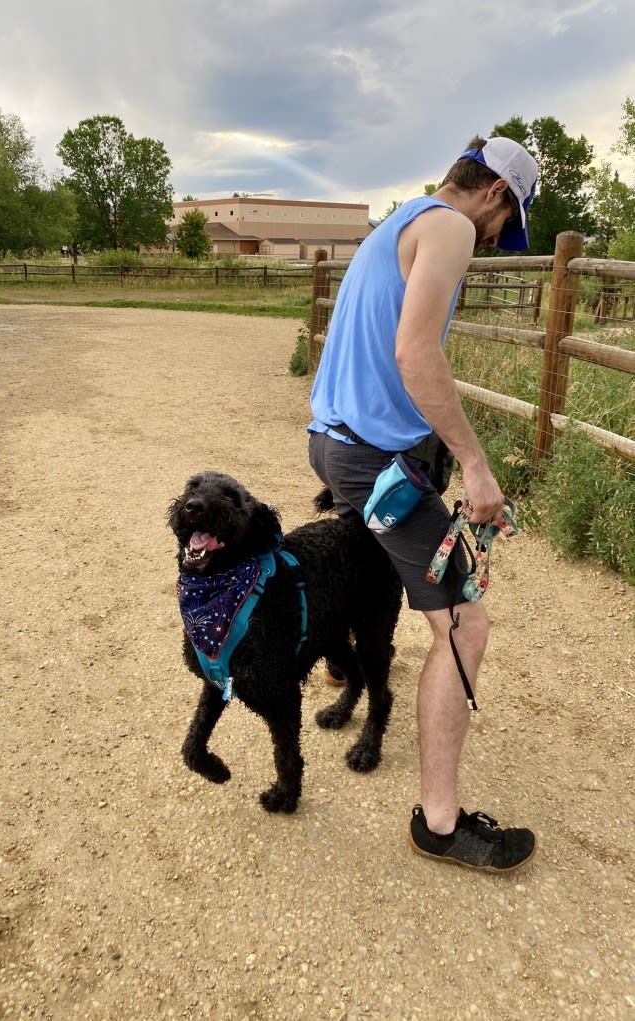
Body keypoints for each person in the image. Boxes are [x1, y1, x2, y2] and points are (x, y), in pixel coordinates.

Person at [308, 136, 539, 872]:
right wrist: (475, 463)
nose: (499, 237)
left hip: (335, 438)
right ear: (496, 193)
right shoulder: (451, 226)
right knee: (466, 623)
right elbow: (415, 352)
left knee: (386, 565)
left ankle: (343, 666)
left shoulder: (398, 221)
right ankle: (439, 823)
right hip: (375, 460)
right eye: (508, 219)